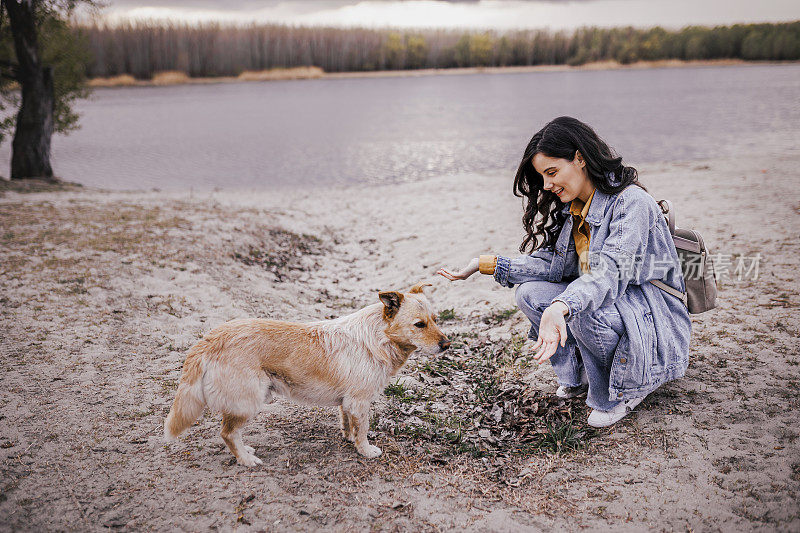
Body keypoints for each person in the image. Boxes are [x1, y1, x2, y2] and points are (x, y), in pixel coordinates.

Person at [437, 116, 691, 428]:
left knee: (580, 306)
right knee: (531, 294)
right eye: (542, 176)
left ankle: (621, 391)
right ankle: (580, 377)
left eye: (552, 172)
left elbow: (611, 273)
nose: (546, 185)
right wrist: (486, 264)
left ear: (580, 158)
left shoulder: (631, 203)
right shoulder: (575, 209)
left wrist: (562, 305)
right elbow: (555, 267)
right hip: (620, 305)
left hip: (653, 317)